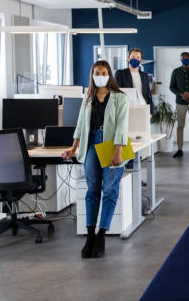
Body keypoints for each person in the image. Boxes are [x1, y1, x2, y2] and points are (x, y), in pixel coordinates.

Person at [62, 60, 129, 259]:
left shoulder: (120, 98)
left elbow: (121, 127)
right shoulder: (88, 97)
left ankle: (101, 235)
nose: (100, 75)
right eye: (97, 72)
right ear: (92, 75)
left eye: (104, 72)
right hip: (91, 142)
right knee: (92, 190)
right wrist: (73, 148)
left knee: (109, 190)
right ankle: (90, 235)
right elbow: (81, 125)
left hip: (113, 144)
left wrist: (118, 152)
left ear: (109, 74)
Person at [113, 47, 154, 116]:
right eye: (133, 57)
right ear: (128, 58)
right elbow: (116, 93)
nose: (135, 59)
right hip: (127, 109)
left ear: (140, 60)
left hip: (143, 108)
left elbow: (148, 95)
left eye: (138, 57)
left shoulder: (145, 76)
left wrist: (151, 112)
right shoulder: (120, 73)